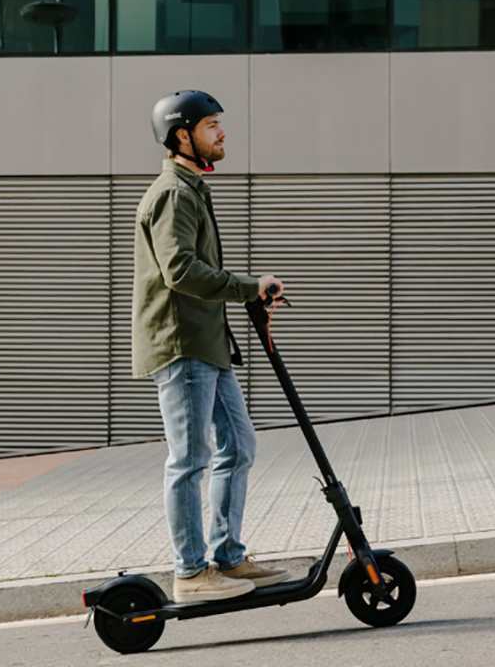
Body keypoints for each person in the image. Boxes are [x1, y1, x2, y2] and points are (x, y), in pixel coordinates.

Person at [132, 90, 292, 604]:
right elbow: (179, 271)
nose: (222, 133)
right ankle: (190, 573)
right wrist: (247, 286)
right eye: (211, 126)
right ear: (183, 135)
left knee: (238, 446)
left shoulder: (193, 188)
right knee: (190, 459)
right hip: (182, 345)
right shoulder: (173, 193)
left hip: (207, 343)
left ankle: (227, 558)